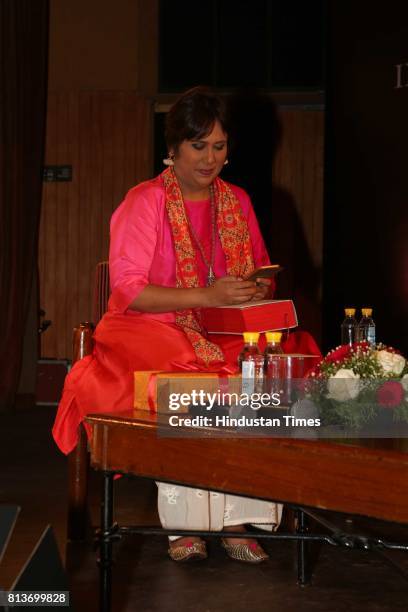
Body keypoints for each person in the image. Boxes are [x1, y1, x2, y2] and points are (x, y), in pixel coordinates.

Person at [53, 86, 316, 563]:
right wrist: (207, 295)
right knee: (187, 384)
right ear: (172, 149)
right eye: (199, 146)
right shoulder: (145, 200)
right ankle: (186, 525)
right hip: (149, 324)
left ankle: (240, 517)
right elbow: (129, 291)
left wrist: (254, 291)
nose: (210, 158)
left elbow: (260, 272)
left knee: (264, 373)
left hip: (222, 325)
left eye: (219, 146)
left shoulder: (237, 200)